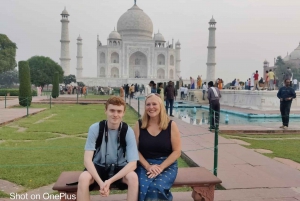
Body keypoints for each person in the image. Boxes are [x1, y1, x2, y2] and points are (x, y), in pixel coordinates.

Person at [77, 97, 139, 201]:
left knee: (133, 178)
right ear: (106, 110)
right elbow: (87, 160)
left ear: (123, 113)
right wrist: (101, 183)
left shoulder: (127, 131)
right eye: (112, 110)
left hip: (119, 168)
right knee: (83, 178)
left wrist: (109, 181)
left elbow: (133, 164)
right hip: (99, 167)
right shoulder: (95, 128)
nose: (115, 114)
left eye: (119, 111)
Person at [133, 93, 181, 201]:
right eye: (148, 104)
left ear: (160, 106)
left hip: (167, 164)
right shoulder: (139, 125)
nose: (151, 107)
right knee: (143, 186)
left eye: (154, 104)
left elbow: (177, 151)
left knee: (156, 187)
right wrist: (148, 166)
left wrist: (161, 167)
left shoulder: (171, 125)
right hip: (144, 164)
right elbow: (134, 150)